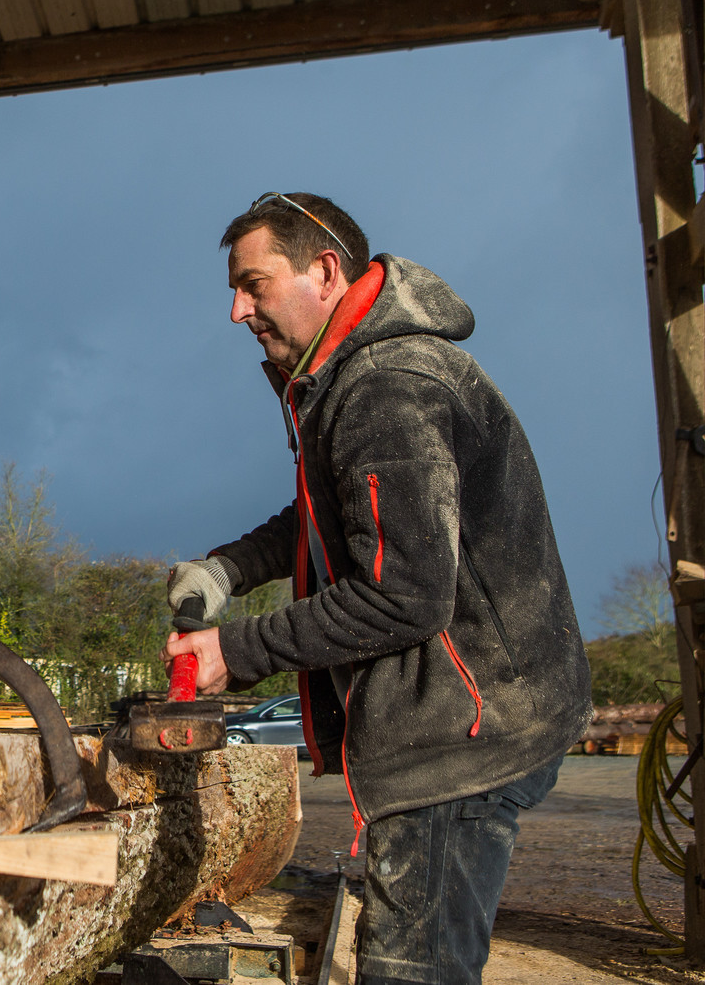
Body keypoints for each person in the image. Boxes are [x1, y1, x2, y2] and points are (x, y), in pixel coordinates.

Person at [162, 192, 591, 985]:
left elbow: (406, 595)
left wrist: (234, 650)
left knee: (412, 972)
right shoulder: (354, 374)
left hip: (463, 737)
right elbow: (335, 513)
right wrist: (229, 569)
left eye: (253, 285)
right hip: (472, 718)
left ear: (325, 272)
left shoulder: (388, 384)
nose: (236, 311)